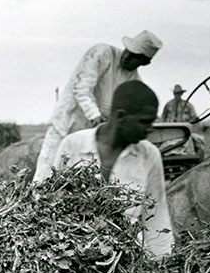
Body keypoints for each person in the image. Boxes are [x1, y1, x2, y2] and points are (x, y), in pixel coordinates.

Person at [52, 80, 174, 261]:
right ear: (121, 116)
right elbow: (49, 202)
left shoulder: (149, 155)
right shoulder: (73, 145)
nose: (150, 129)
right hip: (71, 254)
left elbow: (157, 214)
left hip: (126, 258)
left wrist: (162, 262)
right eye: (144, 122)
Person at [33, 30, 163, 182]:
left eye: (135, 57)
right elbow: (81, 87)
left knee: (79, 185)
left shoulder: (134, 81)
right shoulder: (102, 54)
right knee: (45, 176)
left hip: (89, 140)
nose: (127, 57)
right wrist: (95, 115)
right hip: (66, 124)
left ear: (144, 62)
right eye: (128, 51)